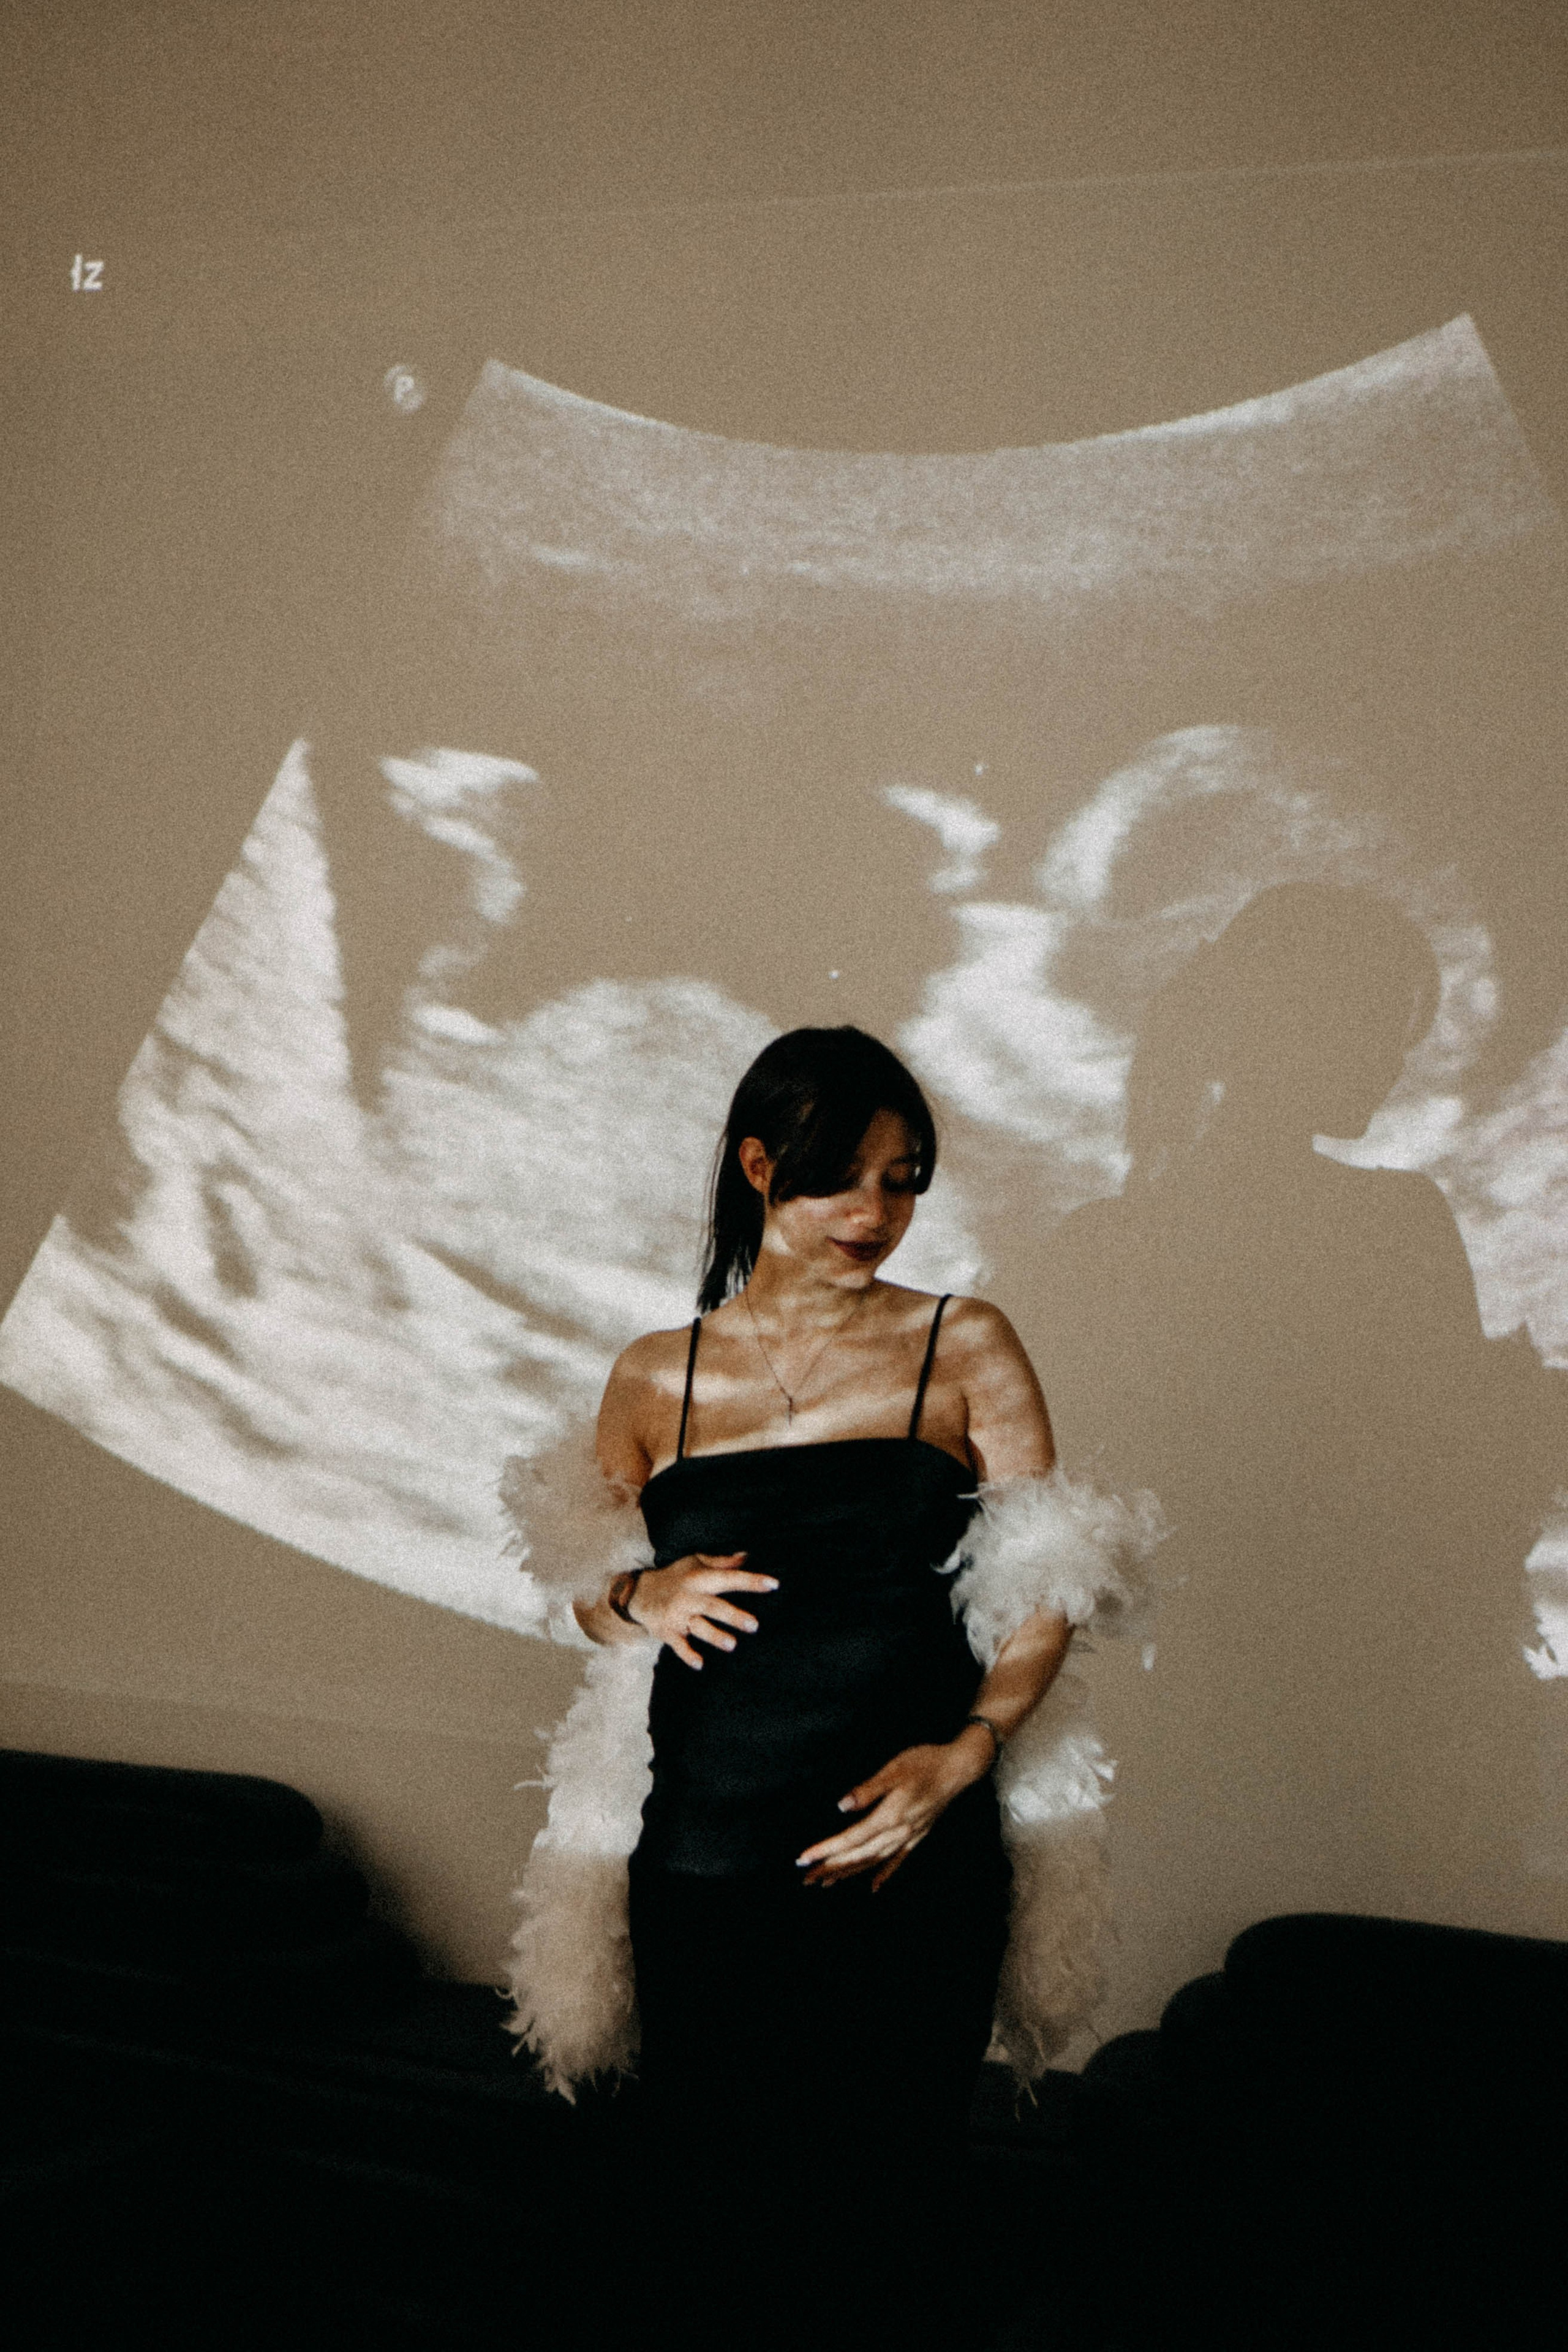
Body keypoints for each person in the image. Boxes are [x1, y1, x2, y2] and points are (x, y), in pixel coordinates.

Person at [502, 1026, 1162, 2352]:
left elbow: (1046, 1579)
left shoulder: (958, 1342)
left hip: (903, 1844)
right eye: (839, 1178)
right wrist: (637, 1596)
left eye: (903, 1178)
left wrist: (969, 1750)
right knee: (710, 2203)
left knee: (888, 2206)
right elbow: (585, 1579)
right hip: (703, 1853)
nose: (877, 1212)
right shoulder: (654, 1372)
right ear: (757, 1168)